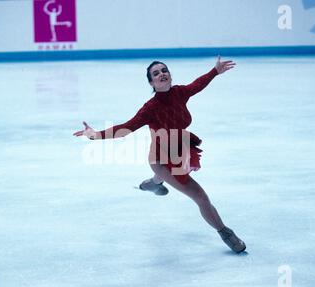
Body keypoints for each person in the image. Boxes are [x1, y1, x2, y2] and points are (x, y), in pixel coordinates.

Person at [73, 56, 246, 253]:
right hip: (161, 160)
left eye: (164, 70)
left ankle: (152, 184)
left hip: (180, 150)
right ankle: (225, 232)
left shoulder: (180, 92)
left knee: (162, 180)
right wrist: (94, 136)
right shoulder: (151, 108)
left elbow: (197, 84)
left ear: (170, 76)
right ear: (151, 82)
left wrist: (215, 71)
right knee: (201, 197)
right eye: (156, 73)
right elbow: (126, 128)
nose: (161, 74)